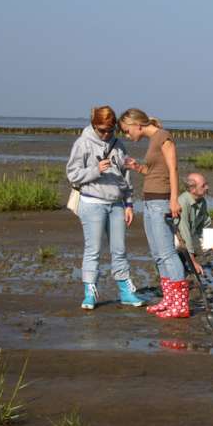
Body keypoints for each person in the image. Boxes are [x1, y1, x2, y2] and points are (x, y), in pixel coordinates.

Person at [66, 106, 143, 310]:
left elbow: (126, 176)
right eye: (102, 130)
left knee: (119, 250)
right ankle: (89, 292)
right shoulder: (82, 143)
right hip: (91, 202)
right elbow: (72, 174)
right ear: (94, 125)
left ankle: (126, 291)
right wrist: (95, 170)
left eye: (110, 130)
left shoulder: (118, 145)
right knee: (93, 250)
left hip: (116, 203)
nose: (106, 134)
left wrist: (128, 203)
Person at [119, 108, 188, 319]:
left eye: (126, 130)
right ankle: (169, 300)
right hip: (149, 201)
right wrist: (137, 168)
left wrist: (174, 199)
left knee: (167, 253)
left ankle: (181, 305)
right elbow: (155, 172)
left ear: (136, 125)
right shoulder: (153, 140)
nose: (126, 134)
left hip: (161, 201)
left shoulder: (163, 136)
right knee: (158, 255)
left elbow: (173, 169)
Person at [177, 172, 213, 277]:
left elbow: (203, 228)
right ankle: (179, 265)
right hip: (177, 238)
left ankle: (183, 263)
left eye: (206, 184)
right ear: (192, 189)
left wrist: (211, 244)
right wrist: (193, 262)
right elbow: (184, 233)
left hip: (189, 237)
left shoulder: (202, 202)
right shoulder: (183, 202)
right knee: (180, 247)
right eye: (203, 186)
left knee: (210, 245)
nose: (207, 187)